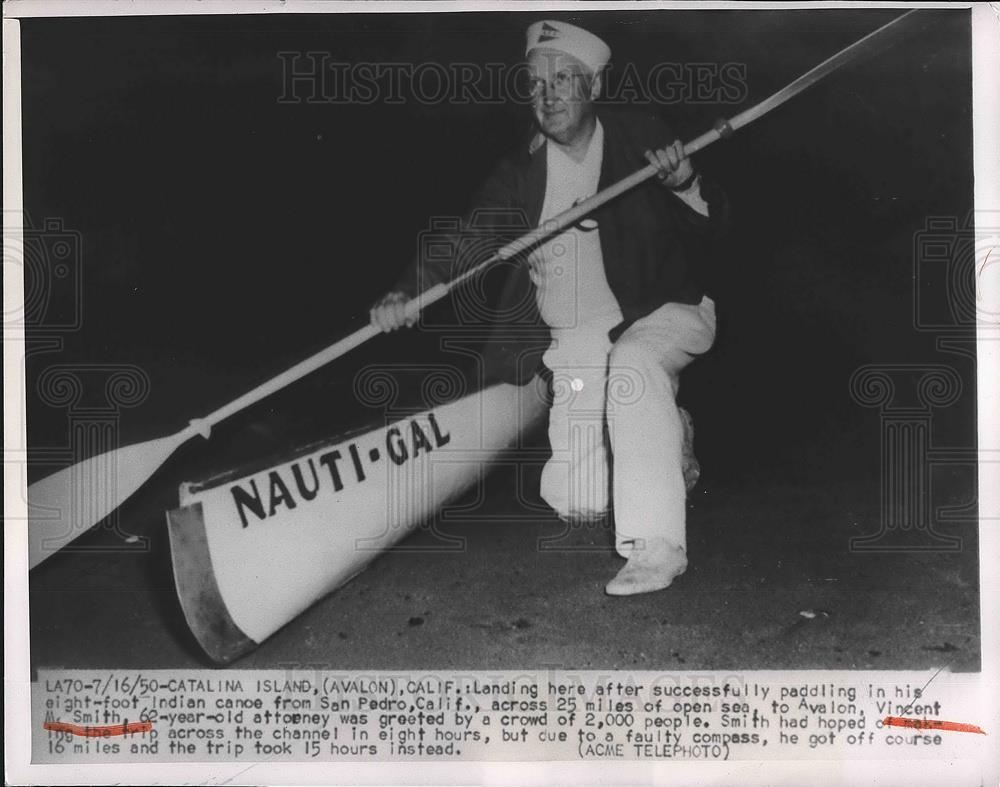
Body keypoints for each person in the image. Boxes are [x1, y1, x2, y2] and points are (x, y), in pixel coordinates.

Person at [371, 19, 729, 596]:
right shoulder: (519, 174)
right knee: (577, 503)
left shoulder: (644, 138)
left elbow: (720, 235)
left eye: (564, 79)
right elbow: (467, 238)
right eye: (536, 83)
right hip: (580, 343)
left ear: (594, 88)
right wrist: (407, 292)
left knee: (636, 366)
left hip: (662, 313)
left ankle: (656, 549)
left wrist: (686, 183)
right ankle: (669, 432)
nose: (549, 95)